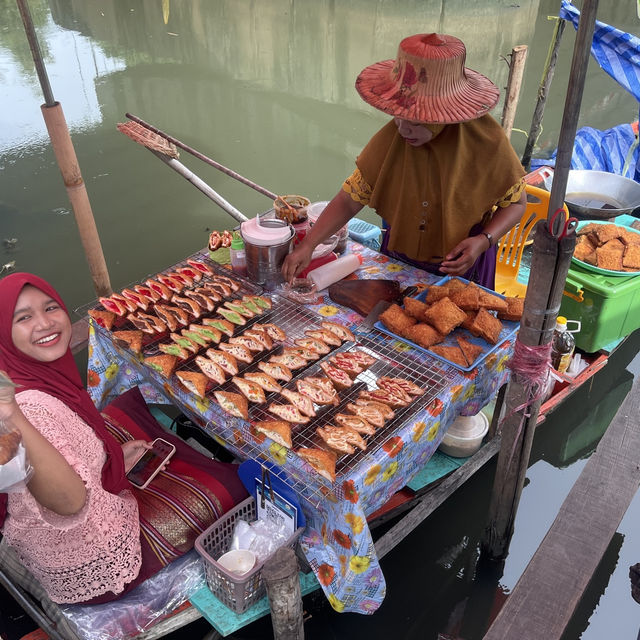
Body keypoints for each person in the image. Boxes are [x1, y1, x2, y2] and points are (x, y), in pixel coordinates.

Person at [0, 272, 248, 605]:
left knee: (127, 406)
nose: (45, 323)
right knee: (233, 485)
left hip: (69, 532)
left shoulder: (37, 377)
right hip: (96, 563)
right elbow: (70, 502)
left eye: (50, 308)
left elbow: (67, 450)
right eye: (24, 317)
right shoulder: (25, 407)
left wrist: (111, 457)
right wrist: (9, 408)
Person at [283, 33, 527, 290]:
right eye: (398, 117)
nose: (403, 130)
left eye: (416, 122)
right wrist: (308, 245)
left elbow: (517, 205)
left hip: (464, 264)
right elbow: (349, 199)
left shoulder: (487, 145)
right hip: (401, 257)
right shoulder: (393, 141)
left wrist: (484, 240)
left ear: (446, 115)